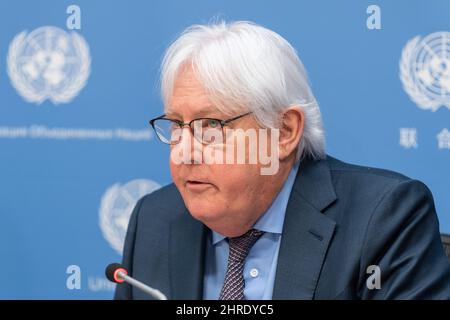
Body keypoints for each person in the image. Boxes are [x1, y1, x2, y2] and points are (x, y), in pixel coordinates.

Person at [114, 21, 450, 300]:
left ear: (284, 131)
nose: (183, 152)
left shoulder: (383, 219)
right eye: (176, 125)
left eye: (211, 127)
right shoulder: (154, 219)